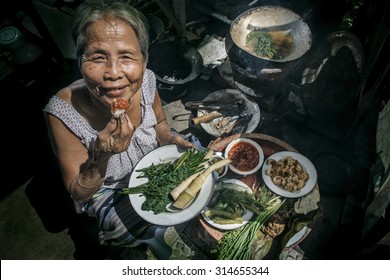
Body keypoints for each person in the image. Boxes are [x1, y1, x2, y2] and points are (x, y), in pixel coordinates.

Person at [43, 0, 193, 252]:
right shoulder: (61, 113)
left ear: (144, 60)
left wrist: (168, 138)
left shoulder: (146, 80)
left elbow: (161, 124)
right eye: (98, 57)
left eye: (126, 56)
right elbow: (79, 193)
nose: (113, 72)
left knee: (197, 167)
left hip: (152, 163)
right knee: (127, 227)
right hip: (109, 187)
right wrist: (102, 155)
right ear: (80, 61)